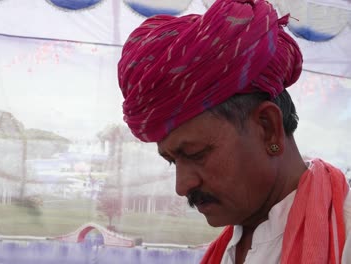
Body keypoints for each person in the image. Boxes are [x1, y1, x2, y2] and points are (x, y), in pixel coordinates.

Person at [116, 0, 351, 263]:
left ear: (269, 129)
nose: (182, 186)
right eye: (172, 160)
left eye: (195, 153)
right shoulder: (228, 247)